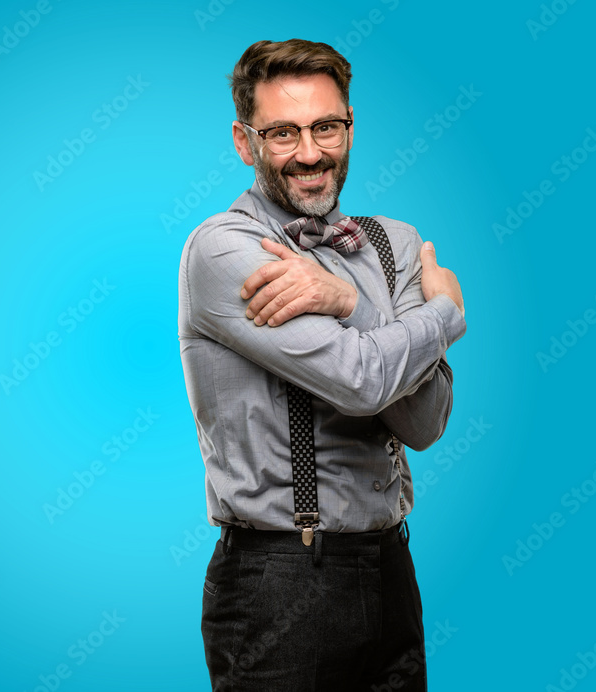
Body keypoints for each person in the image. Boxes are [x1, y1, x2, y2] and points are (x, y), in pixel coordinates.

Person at [177, 39, 467, 690]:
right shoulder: (227, 251)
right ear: (244, 141)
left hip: (393, 568)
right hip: (278, 579)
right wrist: (444, 314)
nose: (310, 152)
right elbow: (361, 381)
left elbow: (423, 421)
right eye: (283, 132)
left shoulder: (392, 243)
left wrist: (351, 303)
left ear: (350, 127)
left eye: (326, 127)